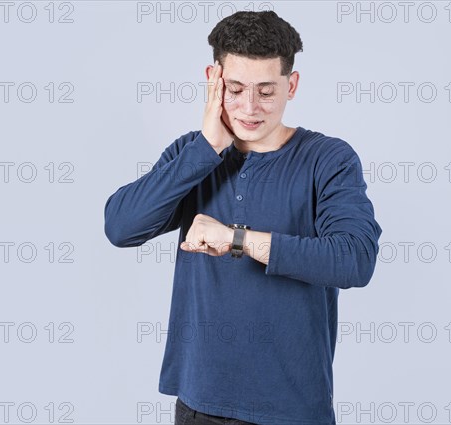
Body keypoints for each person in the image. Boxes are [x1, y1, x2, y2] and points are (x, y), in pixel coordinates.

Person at [104, 10, 382, 425]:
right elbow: (121, 228)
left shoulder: (329, 159)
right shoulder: (193, 154)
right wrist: (205, 148)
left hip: (291, 409)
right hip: (199, 405)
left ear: (292, 85)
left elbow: (354, 259)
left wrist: (239, 239)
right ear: (213, 80)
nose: (250, 108)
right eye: (234, 89)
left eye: (266, 92)